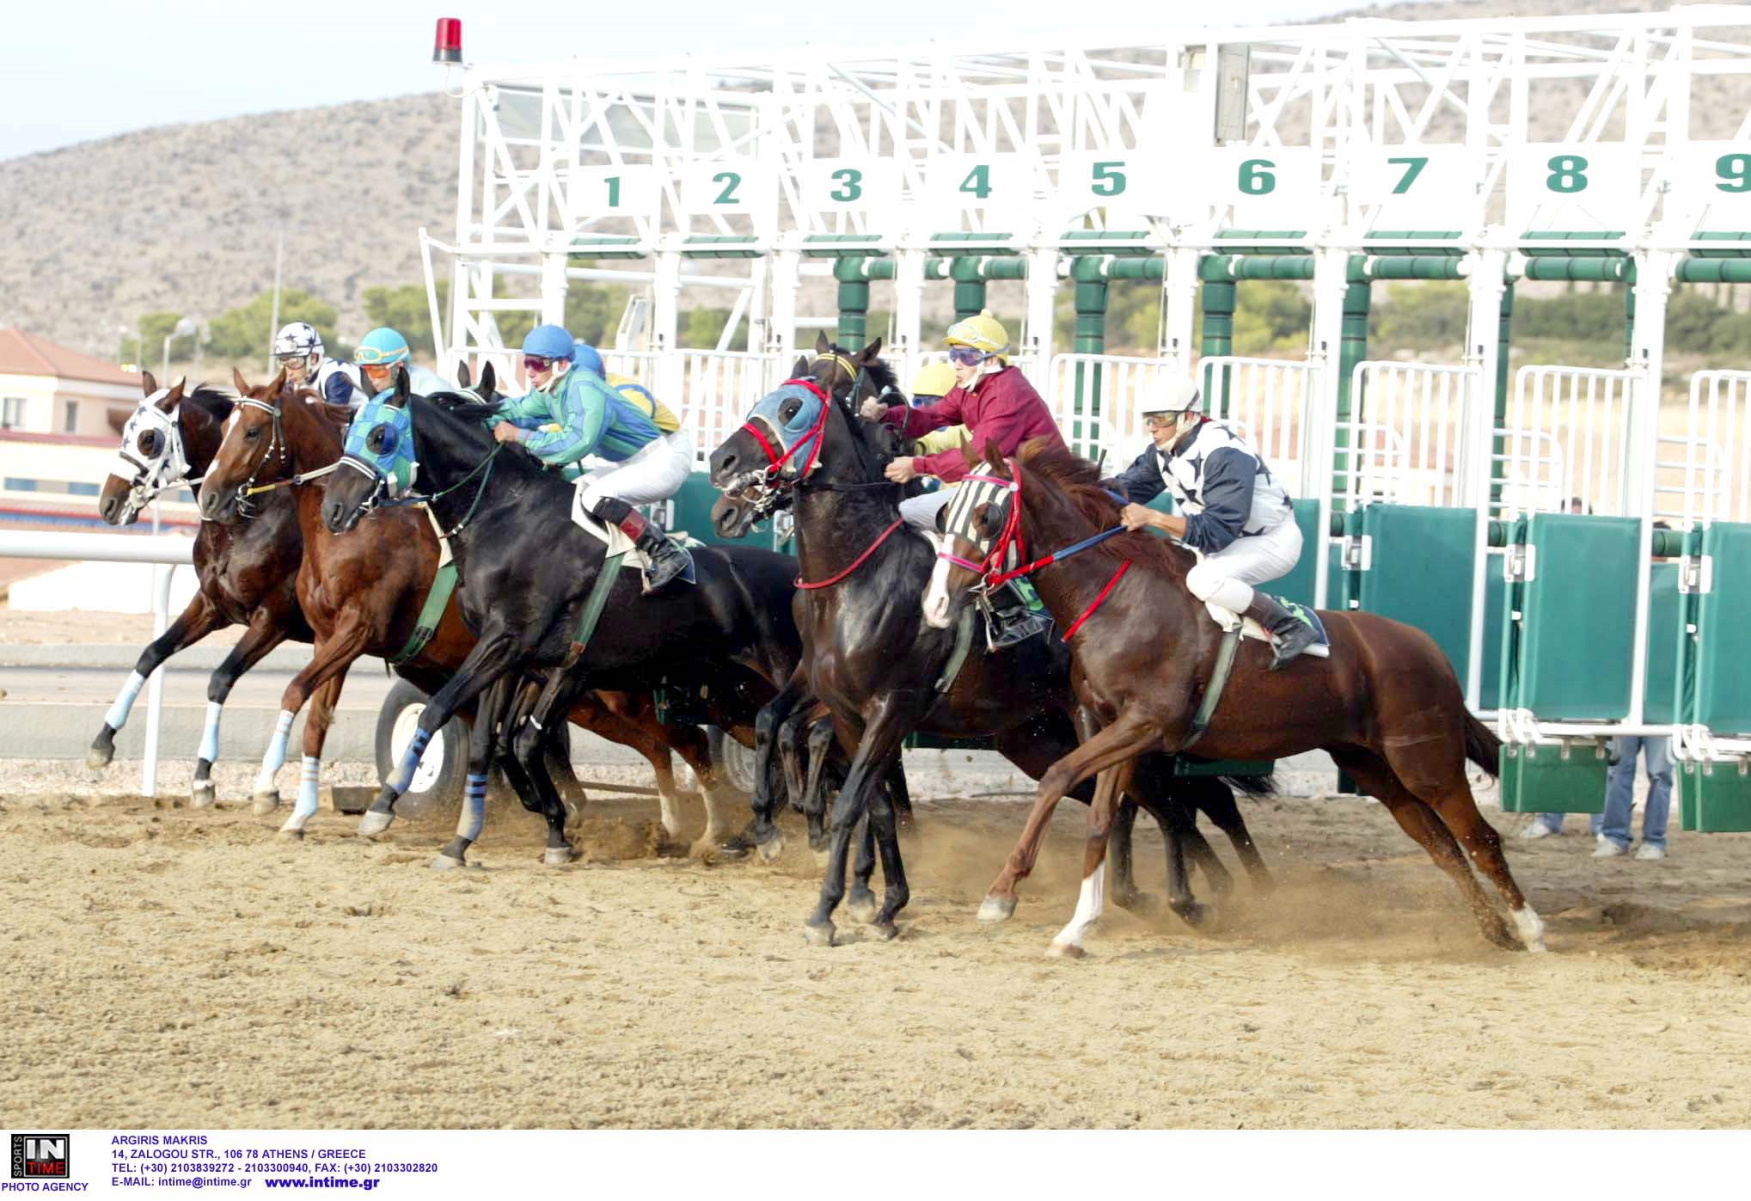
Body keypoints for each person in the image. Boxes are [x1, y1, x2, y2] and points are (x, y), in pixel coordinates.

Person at [859, 310, 1057, 648]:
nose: (956, 363)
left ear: (990, 360)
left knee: (918, 514)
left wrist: (918, 466)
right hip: (1006, 482)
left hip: (1038, 491)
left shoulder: (1008, 393)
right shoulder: (973, 386)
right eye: (953, 354)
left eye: (965, 355)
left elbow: (979, 453)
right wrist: (887, 415)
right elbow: (933, 416)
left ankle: (1019, 611)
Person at [1106, 377, 1320, 670]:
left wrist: (1154, 517)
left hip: (1270, 542)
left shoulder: (1224, 454)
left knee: (1203, 580)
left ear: (1190, 416)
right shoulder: (1163, 449)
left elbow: (1216, 533)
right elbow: (1123, 489)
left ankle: (1288, 625)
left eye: (1162, 418)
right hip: (1228, 541)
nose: (1153, 426)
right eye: (1149, 419)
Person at [487, 324, 692, 592]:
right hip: (634, 463)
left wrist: (520, 436)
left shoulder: (585, 387)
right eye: (526, 362)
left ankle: (666, 553)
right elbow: (518, 409)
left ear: (561, 365)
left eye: (537, 364)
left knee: (596, 495)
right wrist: (477, 412)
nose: (529, 371)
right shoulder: (554, 390)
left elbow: (577, 444)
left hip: (659, 463)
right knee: (576, 493)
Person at [272, 322, 367, 408]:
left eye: (294, 363)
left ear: (313, 358)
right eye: (284, 365)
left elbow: (333, 421)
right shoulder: (293, 384)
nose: (289, 373)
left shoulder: (335, 376)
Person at [354, 327, 448, 398]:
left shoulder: (431, 391)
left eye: (376, 371)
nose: (370, 378)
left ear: (399, 366)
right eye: (365, 371)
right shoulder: (377, 391)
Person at [907, 362, 971, 456]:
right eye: (917, 402)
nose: (922, 408)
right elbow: (930, 443)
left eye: (929, 402)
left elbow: (942, 440)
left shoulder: (966, 429)